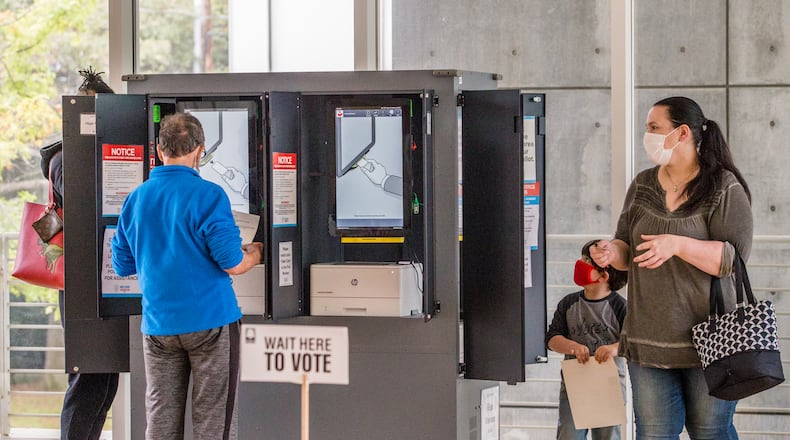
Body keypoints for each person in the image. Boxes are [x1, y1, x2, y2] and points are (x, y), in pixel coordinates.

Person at [590, 96, 753, 439]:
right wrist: (609, 252)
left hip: (711, 343)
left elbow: (733, 261)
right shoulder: (643, 184)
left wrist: (677, 244)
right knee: (653, 434)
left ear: (682, 133)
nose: (646, 135)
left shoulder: (723, 187)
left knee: (711, 432)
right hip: (647, 342)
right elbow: (627, 247)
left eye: (653, 128)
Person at [111, 112, 263, 439]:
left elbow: (123, 265)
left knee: (161, 419)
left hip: (159, 326)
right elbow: (232, 262)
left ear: (158, 149)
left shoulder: (136, 199)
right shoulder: (209, 195)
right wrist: (256, 254)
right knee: (213, 418)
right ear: (200, 151)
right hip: (211, 321)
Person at [40, 66, 119, 440]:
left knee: (104, 380)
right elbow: (85, 207)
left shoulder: (85, 156)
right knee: (87, 377)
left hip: (100, 277)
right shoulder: (65, 160)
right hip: (79, 281)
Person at [546, 239, 628, 440]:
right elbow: (552, 338)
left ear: (604, 274)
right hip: (574, 385)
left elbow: (634, 341)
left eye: (586, 261)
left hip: (609, 386)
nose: (579, 263)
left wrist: (612, 349)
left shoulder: (619, 306)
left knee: (608, 436)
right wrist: (572, 346)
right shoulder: (568, 303)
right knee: (568, 434)